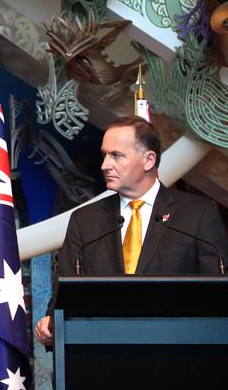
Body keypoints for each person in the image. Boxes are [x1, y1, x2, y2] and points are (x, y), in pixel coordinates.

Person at [35, 116, 228, 347]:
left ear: (148, 160)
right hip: (102, 360)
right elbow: (63, 296)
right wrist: (50, 325)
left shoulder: (197, 215)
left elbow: (217, 298)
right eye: (104, 155)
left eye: (116, 155)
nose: (105, 165)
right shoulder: (85, 221)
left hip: (179, 358)